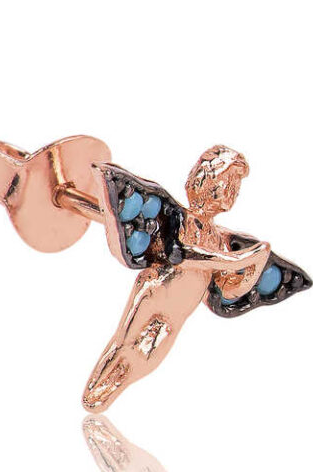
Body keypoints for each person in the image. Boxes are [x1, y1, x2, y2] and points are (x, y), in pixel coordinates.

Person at [83, 146, 271, 413]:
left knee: (151, 356)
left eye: (236, 187)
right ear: (208, 182)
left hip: (178, 312)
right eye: (230, 183)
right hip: (155, 291)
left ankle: (109, 390)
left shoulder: (219, 240)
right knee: (126, 340)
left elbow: (228, 290)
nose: (233, 192)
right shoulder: (182, 219)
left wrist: (255, 266)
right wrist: (238, 260)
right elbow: (181, 253)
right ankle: (94, 389)